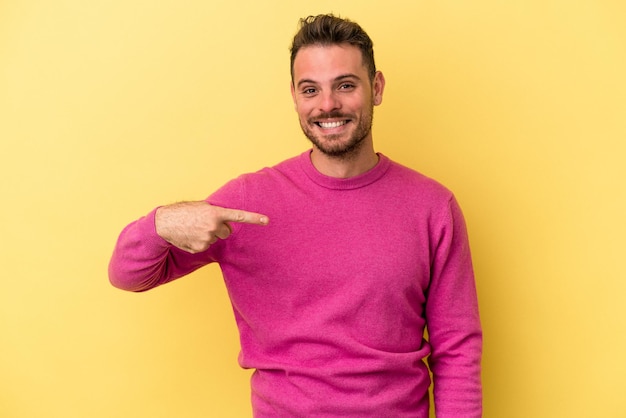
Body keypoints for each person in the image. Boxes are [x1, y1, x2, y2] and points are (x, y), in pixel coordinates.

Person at [109, 14, 482, 417]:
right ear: (294, 96)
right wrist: (162, 221)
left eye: (345, 85)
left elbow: (457, 349)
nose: (327, 105)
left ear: (376, 88)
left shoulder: (432, 206)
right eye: (310, 89)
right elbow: (128, 276)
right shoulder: (248, 202)